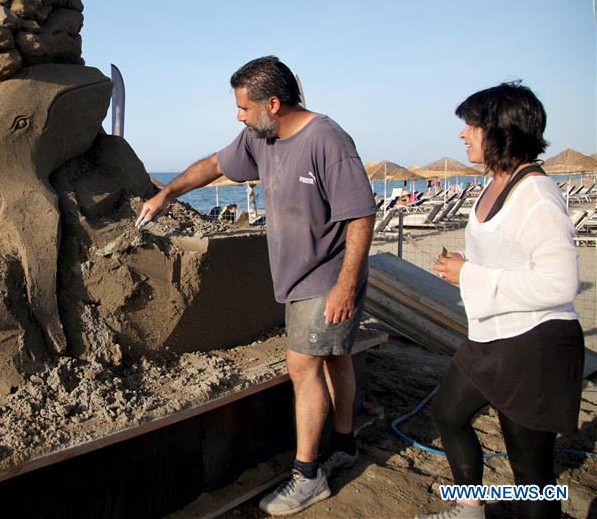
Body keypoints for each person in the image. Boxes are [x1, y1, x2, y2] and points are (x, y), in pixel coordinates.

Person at [137, 56, 376, 515]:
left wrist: (345, 285)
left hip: (326, 275)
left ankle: (307, 477)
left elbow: (361, 214)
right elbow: (212, 166)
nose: (238, 116)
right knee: (334, 356)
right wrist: (168, 192)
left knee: (302, 367)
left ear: (273, 102)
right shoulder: (259, 137)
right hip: (297, 275)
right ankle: (344, 442)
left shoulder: (327, 140)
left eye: (244, 108)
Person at [419, 83, 583, 519]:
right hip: (491, 336)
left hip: (535, 345)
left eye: (472, 124)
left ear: (501, 130)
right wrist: (466, 263)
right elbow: (509, 255)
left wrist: (469, 274)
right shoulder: (494, 181)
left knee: (531, 478)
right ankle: (470, 509)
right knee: (448, 413)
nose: (463, 134)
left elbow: (561, 283)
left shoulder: (537, 195)